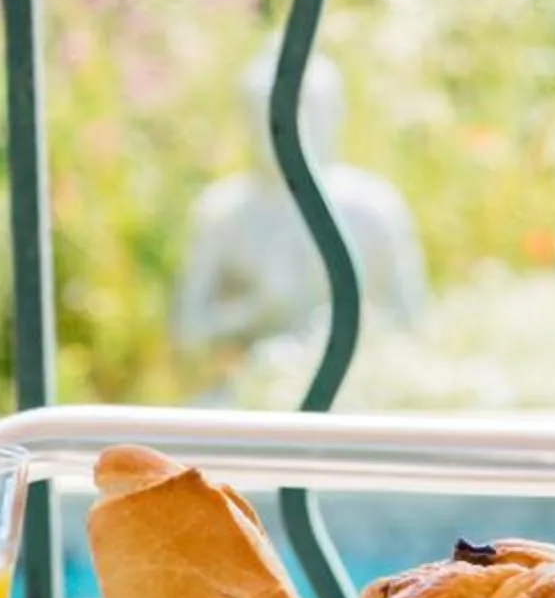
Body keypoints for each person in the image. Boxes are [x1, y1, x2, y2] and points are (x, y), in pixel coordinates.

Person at [175, 47, 428, 376]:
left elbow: (412, 322)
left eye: (308, 110)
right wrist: (253, 313)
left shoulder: (372, 207)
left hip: (357, 383)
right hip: (250, 385)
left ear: (334, 114)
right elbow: (186, 334)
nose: (284, 129)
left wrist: (342, 333)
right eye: (264, 115)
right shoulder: (224, 212)